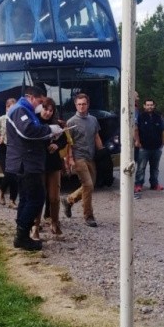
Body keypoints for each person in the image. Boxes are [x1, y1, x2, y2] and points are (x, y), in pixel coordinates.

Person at [6, 86, 62, 251]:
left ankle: (21, 235)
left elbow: (34, 134)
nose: (40, 105)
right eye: (40, 101)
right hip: (26, 162)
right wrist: (50, 129)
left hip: (28, 162)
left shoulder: (26, 110)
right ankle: (22, 235)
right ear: (30, 97)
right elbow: (28, 131)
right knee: (37, 198)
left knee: (26, 198)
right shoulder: (20, 110)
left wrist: (50, 134)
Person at [62, 93, 103, 228]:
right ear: (75, 105)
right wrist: (70, 159)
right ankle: (88, 216)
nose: (81, 106)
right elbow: (68, 143)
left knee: (90, 185)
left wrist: (102, 151)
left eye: (83, 104)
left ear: (88, 104)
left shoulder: (93, 120)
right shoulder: (71, 122)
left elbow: (96, 136)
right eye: (79, 104)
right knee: (88, 185)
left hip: (91, 156)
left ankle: (69, 200)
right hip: (78, 157)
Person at [35, 97, 68, 240]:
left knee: (54, 197)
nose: (48, 113)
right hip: (38, 163)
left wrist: (57, 145)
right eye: (45, 109)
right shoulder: (34, 121)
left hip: (53, 163)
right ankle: (35, 226)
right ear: (40, 108)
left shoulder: (56, 123)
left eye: (50, 110)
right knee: (39, 196)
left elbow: (64, 139)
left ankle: (55, 223)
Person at [0, 98, 18, 208]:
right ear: (7, 108)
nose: (14, 110)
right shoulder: (1, 119)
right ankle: (1, 190)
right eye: (11, 107)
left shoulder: (17, 119)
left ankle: (12, 200)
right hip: (2, 147)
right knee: (8, 172)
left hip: (14, 148)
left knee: (15, 174)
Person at [134, 98, 164, 193]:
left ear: (154, 106)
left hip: (156, 148)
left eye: (151, 105)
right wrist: (137, 142)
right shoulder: (140, 117)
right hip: (143, 147)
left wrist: (162, 143)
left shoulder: (159, 117)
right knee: (141, 167)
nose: (149, 107)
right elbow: (135, 129)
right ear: (144, 106)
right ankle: (138, 184)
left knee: (155, 168)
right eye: (147, 105)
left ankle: (154, 184)